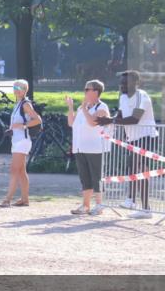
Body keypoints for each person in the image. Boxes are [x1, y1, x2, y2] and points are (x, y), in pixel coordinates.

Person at [94, 70, 158, 212]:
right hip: (133, 138)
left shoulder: (142, 96)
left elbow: (135, 119)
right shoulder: (123, 97)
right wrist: (110, 120)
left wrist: (110, 120)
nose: (122, 85)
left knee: (138, 168)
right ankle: (136, 203)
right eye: (121, 82)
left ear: (136, 83)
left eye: (125, 82)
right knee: (134, 168)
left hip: (147, 137)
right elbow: (121, 115)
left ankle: (140, 204)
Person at [66, 80, 110, 216]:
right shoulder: (82, 108)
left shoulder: (102, 108)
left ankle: (99, 205)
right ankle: (85, 205)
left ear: (96, 92)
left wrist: (85, 109)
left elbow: (92, 123)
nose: (85, 91)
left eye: (87, 89)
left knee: (97, 177)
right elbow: (71, 123)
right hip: (81, 147)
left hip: (95, 148)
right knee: (85, 178)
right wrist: (71, 107)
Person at [0, 80, 41, 207]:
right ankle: (24, 199)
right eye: (15, 87)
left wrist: (22, 125)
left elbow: (37, 120)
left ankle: (7, 199)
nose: (16, 89)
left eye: (20, 88)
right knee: (21, 171)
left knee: (14, 170)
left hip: (22, 141)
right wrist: (13, 128)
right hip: (17, 140)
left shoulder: (25, 104)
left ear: (25, 90)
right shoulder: (18, 103)